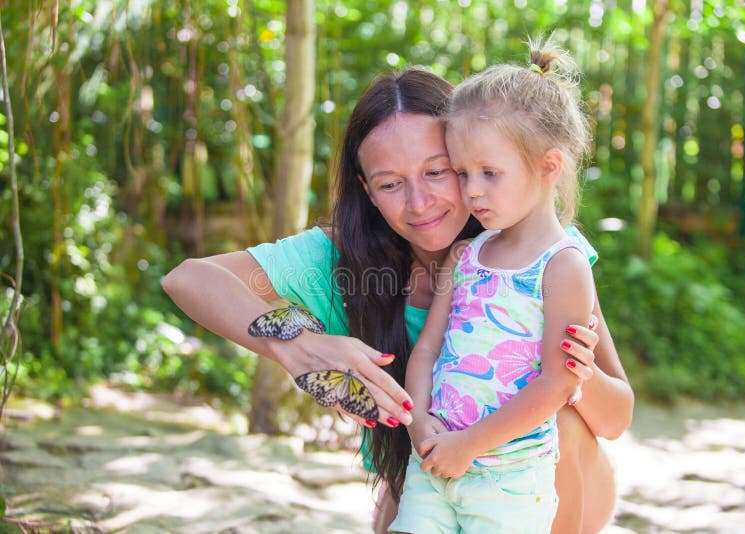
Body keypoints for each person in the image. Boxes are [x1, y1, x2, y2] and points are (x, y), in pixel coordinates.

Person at [162, 63, 633, 533]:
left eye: (438, 171)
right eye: (390, 184)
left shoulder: (538, 251)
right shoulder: (334, 260)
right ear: (367, 191)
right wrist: (300, 347)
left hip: (543, 483)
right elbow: (190, 278)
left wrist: (567, 371)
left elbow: (614, 418)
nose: (419, 202)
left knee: (563, 420)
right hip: (431, 477)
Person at [391, 39, 604, 534]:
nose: (472, 191)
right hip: (434, 460)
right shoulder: (467, 255)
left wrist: (471, 445)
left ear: (549, 168)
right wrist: (419, 421)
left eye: (490, 173)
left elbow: (559, 383)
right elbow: (427, 350)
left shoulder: (564, 267)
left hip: (509, 481)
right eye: (463, 173)